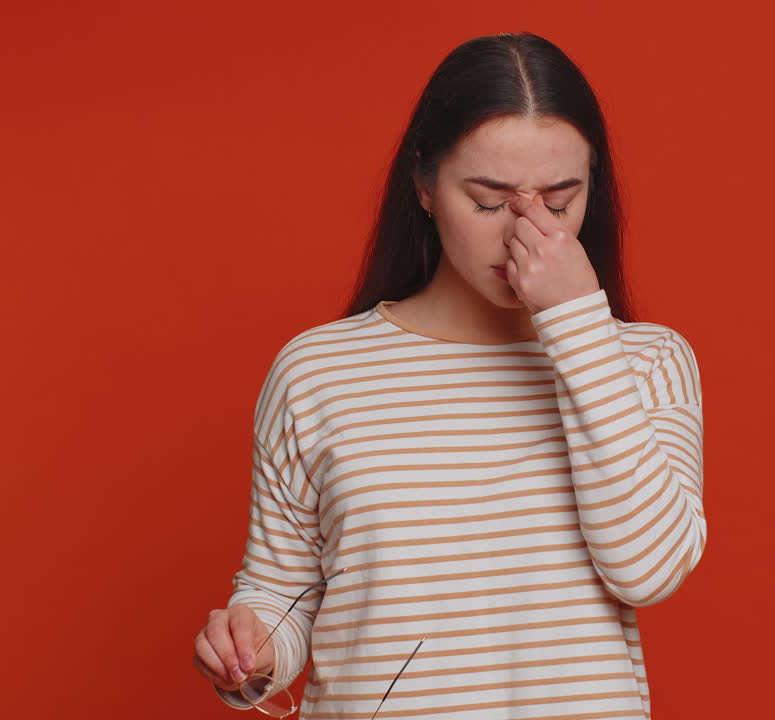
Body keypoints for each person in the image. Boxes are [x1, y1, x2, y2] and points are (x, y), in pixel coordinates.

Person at [192, 31, 706, 719]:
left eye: (560, 201)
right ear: (425, 186)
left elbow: (648, 569)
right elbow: (282, 596)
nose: (526, 230)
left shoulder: (646, 363)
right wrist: (248, 648)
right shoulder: (317, 372)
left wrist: (578, 324)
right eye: (490, 200)